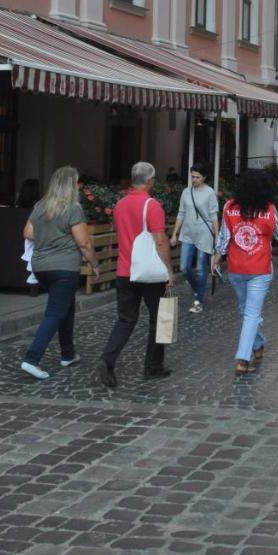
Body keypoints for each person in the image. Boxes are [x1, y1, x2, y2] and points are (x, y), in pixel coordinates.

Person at [96, 161, 174, 389]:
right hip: (149, 272)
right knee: (159, 318)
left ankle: (107, 359)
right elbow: (160, 241)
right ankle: (153, 366)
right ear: (150, 181)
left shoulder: (119, 205)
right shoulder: (152, 206)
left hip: (124, 269)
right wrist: (169, 270)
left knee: (125, 319)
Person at [20, 166, 100, 380]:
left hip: (41, 266)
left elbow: (27, 232)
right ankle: (31, 359)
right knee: (55, 313)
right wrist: (95, 265)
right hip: (64, 267)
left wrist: (48, 237)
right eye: (76, 183)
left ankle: (68, 353)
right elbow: (83, 242)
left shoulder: (40, 205)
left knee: (66, 307)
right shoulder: (73, 209)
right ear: (71, 185)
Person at [212, 168, 278, 375]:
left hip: (236, 268)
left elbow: (224, 236)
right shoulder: (269, 210)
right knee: (250, 313)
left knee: (245, 311)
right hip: (260, 268)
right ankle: (243, 359)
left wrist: (217, 258)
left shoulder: (229, 207)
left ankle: (257, 346)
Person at [170, 163, 219, 314]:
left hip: (204, 234)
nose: (194, 180)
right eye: (192, 177)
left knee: (200, 268)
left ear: (204, 177)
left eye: (197, 177)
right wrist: (174, 234)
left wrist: (216, 237)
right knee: (184, 267)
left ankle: (198, 300)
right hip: (187, 234)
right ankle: (199, 287)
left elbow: (213, 216)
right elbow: (181, 213)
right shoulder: (186, 192)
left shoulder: (210, 193)